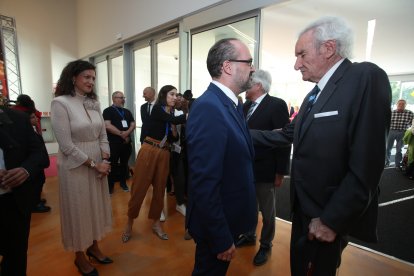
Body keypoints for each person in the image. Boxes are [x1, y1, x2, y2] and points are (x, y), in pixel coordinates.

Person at [250, 17, 391, 275]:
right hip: (304, 208)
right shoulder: (314, 94)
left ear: (328, 48)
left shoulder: (365, 77)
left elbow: (368, 163)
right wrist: (237, 133)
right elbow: (286, 134)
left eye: (301, 54)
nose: (296, 64)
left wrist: (332, 220)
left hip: (328, 212)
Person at [186, 38, 257, 275]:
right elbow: (204, 183)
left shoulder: (231, 104)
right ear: (228, 66)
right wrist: (220, 237)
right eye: (248, 62)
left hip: (228, 220)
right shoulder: (209, 107)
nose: (253, 68)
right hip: (216, 227)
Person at [51, 60, 113, 276]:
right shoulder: (61, 103)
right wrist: (95, 165)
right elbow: (66, 145)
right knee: (79, 211)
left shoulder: (93, 102)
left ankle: (94, 247)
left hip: (98, 162)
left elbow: (103, 133)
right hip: (75, 165)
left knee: (95, 206)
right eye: (86, 77)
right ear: (73, 78)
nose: (91, 81)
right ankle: (79, 256)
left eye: (93, 78)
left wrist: (105, 157)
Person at [237, 69, 291, 266]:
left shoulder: (276, 105)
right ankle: (250, 235)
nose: (244, 87)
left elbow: (284, 140)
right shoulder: (245, 107)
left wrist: (280, 172)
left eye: (248, 83)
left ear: (258, 85)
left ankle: (266, 244)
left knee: (267, 212)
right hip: (246, 169)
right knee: (250, 206)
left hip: (266, 169)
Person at [122, 85, 186, 243]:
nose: (175, 97)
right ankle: (129, 224)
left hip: (164, 152)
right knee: (139, 188)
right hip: (149, 149)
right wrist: (189, 113)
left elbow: (172, 137)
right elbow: (174, 120)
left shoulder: (170, 113)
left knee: (159, 190)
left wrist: (174, 131)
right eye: (172, 94)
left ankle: (156, 224)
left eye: (176, 95)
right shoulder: (157, 109)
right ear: (164, 95)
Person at [0, 105, 49, 276]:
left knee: (16, 257)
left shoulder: (18, 118)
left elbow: (40, 154)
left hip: (15, 202)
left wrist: (25, 170)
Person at [103, 91, 135, 194]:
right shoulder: (108, 111)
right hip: (114, 143)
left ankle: (123, 183)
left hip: (126, 143)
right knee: (113, 164)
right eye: (120, 97)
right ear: (113, 98)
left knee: (124, 164)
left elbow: (133, 124)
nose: (122, 99)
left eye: (123, 97)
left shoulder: (127, 111)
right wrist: (122, 134)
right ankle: (110, 186)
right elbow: (107, 126)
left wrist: (127, 133)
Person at [26, 110, 51, 213]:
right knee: (36, 182)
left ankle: (37, 200)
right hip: (35, 163)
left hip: (39, 162)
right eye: (32, 117)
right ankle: (35, 204)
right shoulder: (27, 133)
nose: (36, 119)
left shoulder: (34, 130)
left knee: (40, 180)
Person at [386, 99, 414, 168]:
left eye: (403, 104)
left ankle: (397, 164)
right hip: (391, 131)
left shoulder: (410, 113)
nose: (401, 105)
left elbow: (412, 124)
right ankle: (387, 162)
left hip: (402, 132)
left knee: (399, 149)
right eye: (399, 104)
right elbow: (386, 122)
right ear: (397, 105)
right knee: (388, 148)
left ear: (405, 105)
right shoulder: (391, 112)